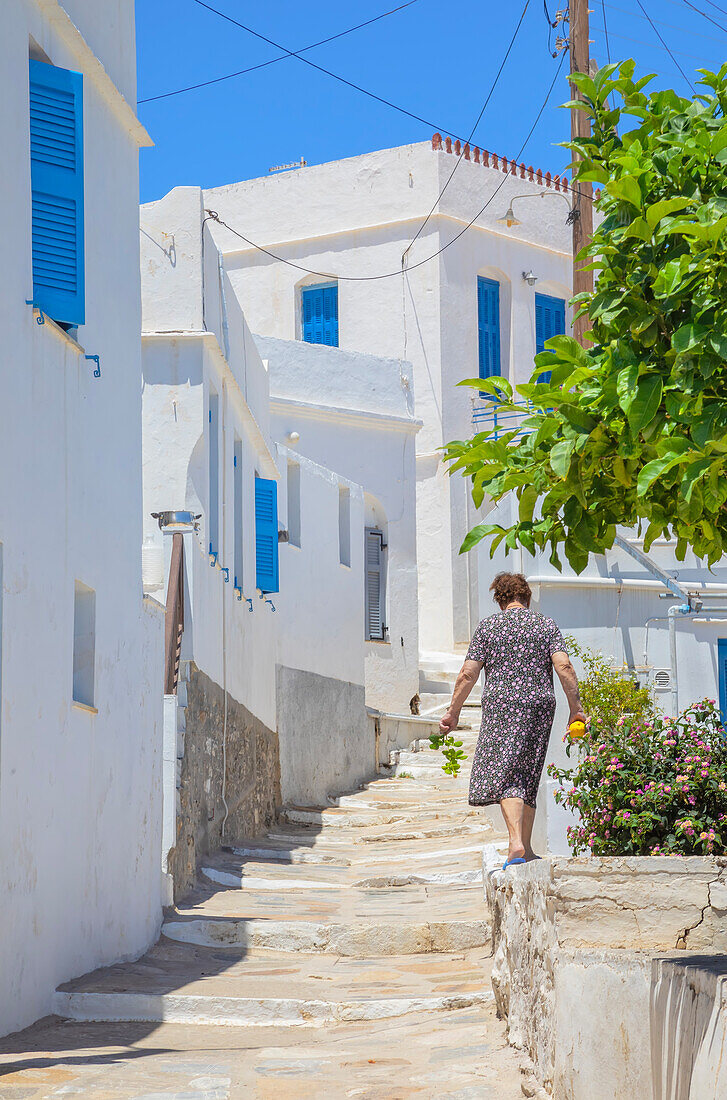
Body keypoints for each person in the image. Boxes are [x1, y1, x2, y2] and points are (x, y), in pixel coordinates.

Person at [439, 572, 584, 868]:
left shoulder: (489, 627)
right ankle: (527, 849)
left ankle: (516, 843)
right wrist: (576, 708)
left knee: (506, 774)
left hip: (502, 707)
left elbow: (468, 673)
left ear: (499, 598)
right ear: (527, 597)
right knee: (527, 772)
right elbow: (564, 666)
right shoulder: (545, 625)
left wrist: (453, 712)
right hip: (539, 706)